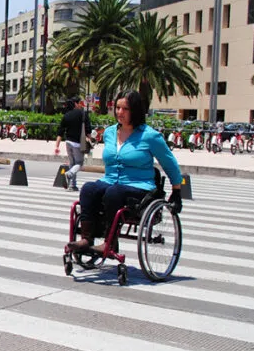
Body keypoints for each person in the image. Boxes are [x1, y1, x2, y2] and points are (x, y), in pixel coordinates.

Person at [68, 91, 182, 254]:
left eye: (125, 109)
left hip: (139, 185)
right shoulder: (109, 133)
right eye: (118, 108)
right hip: (110, 181)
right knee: (88, 189)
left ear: (135, 110)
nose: (119, 112)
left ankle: (109, 243)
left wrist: (177, 191)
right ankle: (87, 238)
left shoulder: (150, 136)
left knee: (113, 193)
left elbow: (169, 163)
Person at [54, 96, 92, 192]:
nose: (81, 105)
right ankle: (69, 174)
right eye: (80, 103)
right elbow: (88, 130)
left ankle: (72, 185)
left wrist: (57, 146)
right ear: (76, 104)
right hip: (78, 143)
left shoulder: (66, 115)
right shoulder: (83, 114)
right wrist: (90, 140)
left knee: (72, 163)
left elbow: (60, 132)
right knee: (79, 163)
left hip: (68, 142)